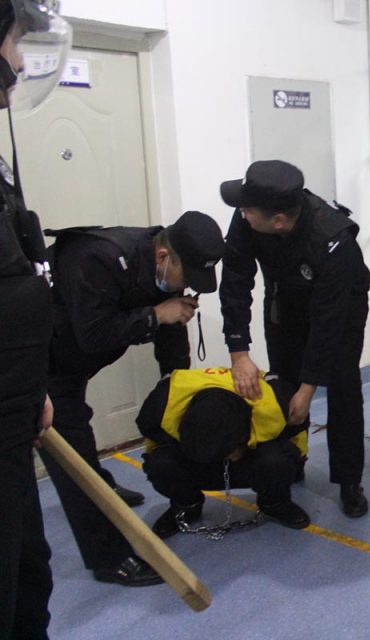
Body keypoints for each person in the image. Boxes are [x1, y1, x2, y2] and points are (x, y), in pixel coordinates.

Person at [42, 210, 224, 586]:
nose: (185, 286)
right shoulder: (97, 259)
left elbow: (171, 332)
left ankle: (103, 485)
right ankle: (109, 558)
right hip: (38, 361)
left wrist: (176, 389)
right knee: (72, 459)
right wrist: (155, 316)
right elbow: (93, 334)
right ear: (163, 258)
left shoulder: (164, 264)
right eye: (186, 277)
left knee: (78, 423)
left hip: (70, 358)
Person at [219, 160, 370, 518]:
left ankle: (349, 481)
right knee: (284, 382)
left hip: (341, 308)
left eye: (247, 209)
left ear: (278, 221)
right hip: (285, 301)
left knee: (343, 386)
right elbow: (236, 281)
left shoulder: (334, 240)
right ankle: (292, 461)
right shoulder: (248, 216)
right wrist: (238, 351)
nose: (241, 212)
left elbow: (327, 323)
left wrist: (309, 388)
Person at [0, 0, 70, 636]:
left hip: (14, 412)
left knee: (28, 577)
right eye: (17, 42)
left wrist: (32, 391)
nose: (21, 61)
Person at [136, 367, 310, 537]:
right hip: (194, 451)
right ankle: (187, 505)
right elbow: (154, 445)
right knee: (160, 463)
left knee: (278, 459)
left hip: (248, 453)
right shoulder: (159, 406)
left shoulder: (278, 402)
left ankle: (274, 502)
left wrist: (246, 448)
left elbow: (297, 442)